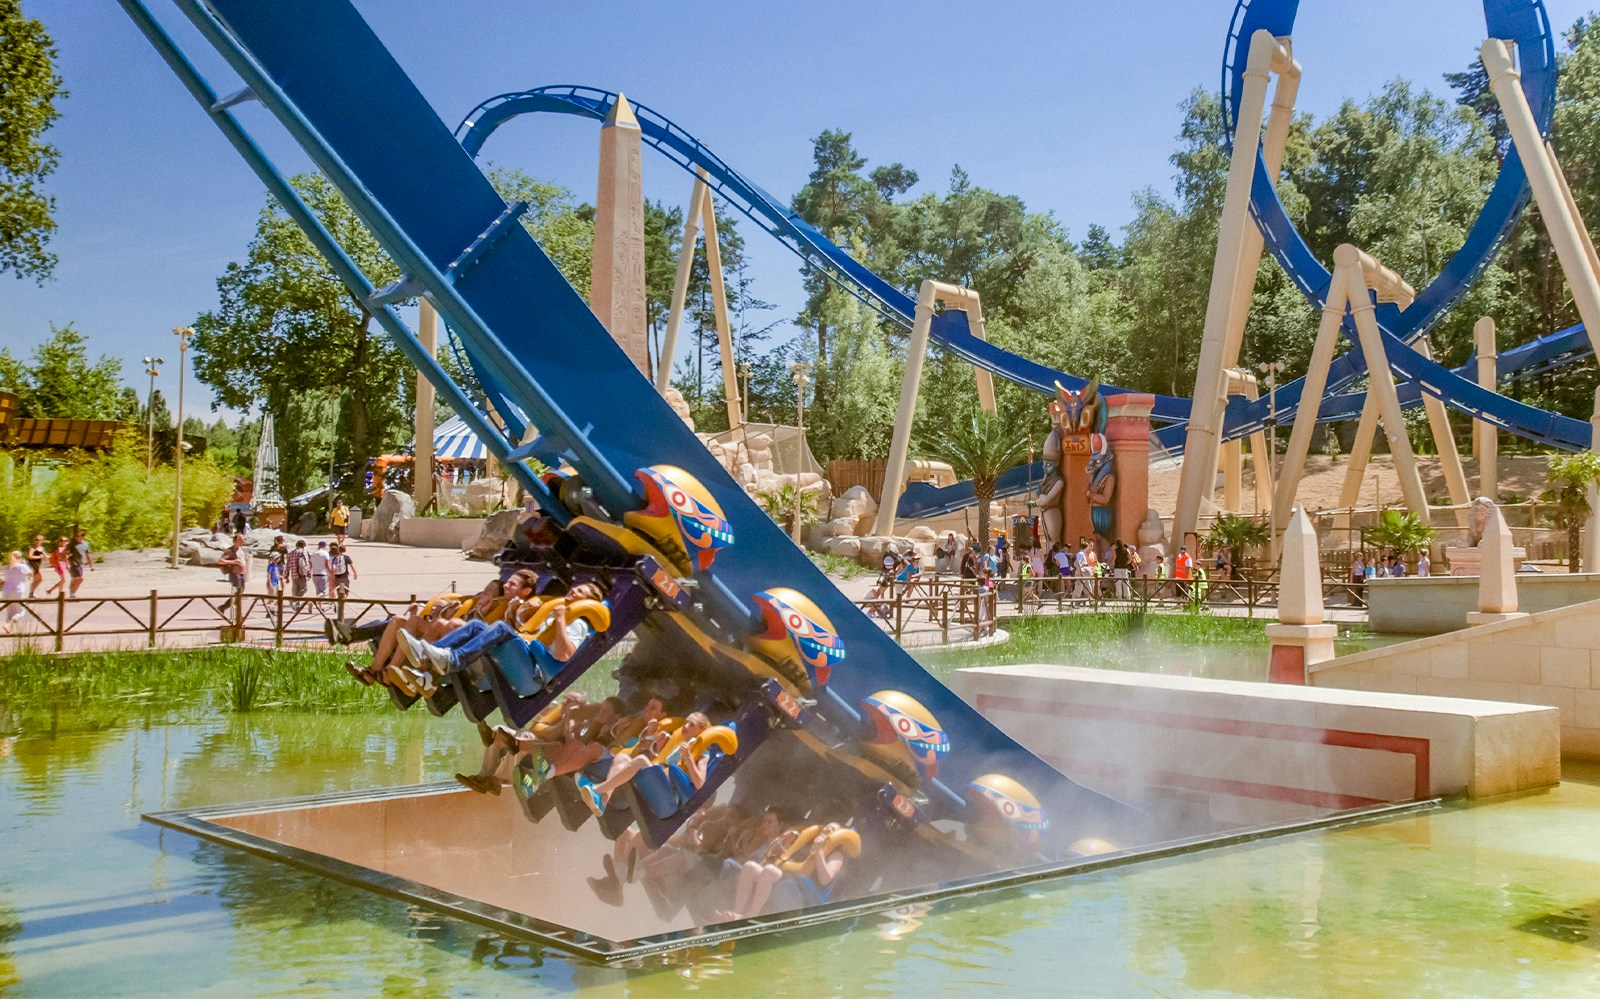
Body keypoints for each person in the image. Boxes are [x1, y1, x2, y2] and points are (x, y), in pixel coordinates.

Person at [2, 551, 27, 633]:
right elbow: (31, 574)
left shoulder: (6, 566)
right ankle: (8, 625)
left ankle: (8, 628)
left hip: (6, 590)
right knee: (21, 611)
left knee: (10, 611)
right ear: (19, 558)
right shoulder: (21, 566)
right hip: (18, 590)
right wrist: (24, 564)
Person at [68, 530, 92, 596]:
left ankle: (72, 593)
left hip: (80, 563)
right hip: (73, 562)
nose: (79, 537)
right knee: (79, 578)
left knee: (76, 579)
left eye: (81, 535)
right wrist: (67, 564)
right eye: (77, 536)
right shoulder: (72, 544)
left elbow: (88, 555)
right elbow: (66, 554)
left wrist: (91, 566)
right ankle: (72, 594)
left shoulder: (85, 544)